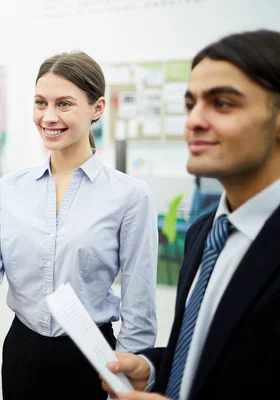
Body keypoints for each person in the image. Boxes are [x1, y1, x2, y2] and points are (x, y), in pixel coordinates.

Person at [0, 51, 158, 399]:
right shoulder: (11, 189)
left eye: (64, 104)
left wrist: (127, 369)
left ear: (97, 108)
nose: (49, 116)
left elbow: (139, 303)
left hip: (95, 358)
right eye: (41, 102)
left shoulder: (129, 196)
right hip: (23, 353)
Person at [101, 29, 280, 400]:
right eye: (190, 104)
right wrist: (152, 369)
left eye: (223, 103)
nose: (193, 121)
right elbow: (215, 353)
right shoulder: (205, 233)